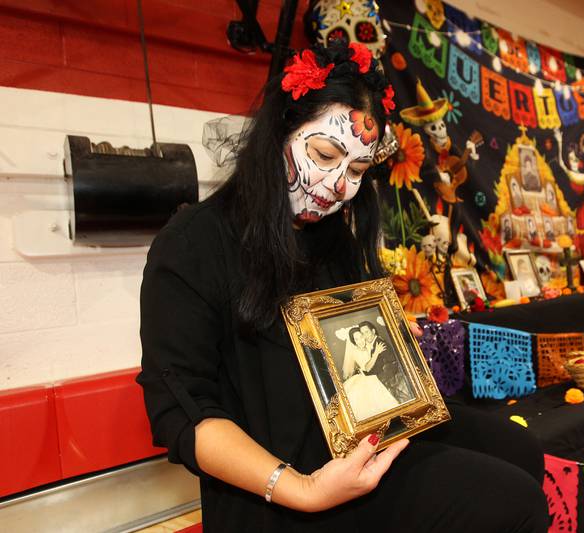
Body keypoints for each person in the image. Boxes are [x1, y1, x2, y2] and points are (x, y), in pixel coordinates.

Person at [137, 42, 548, 532]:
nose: (337, 186)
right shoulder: (192, 245)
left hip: (358, 446)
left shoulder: (333, 239)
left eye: (355, 170)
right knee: (513, 501)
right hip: (284, 488)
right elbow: (185, 417)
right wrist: (305, 491)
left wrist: (394, 347)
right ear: (278, 134)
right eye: (325, 154)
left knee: (520, 449)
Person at [341, 327, 399, 421]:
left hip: (377, 374)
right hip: (367, 378)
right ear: (354, 341)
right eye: (356, 339)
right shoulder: (356, 352)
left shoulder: (369, 344)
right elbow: (367, 368)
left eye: (361, 336)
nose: (360, 340)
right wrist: (376, 353)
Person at [359, 321, 413, 404]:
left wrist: (367, 374)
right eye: (363, 333)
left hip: (392, 379)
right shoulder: (375, 343)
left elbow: (385, 365)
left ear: (373, 331)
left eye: (366, 332)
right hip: (388, 377)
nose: (365, 336)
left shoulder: (380, 344)